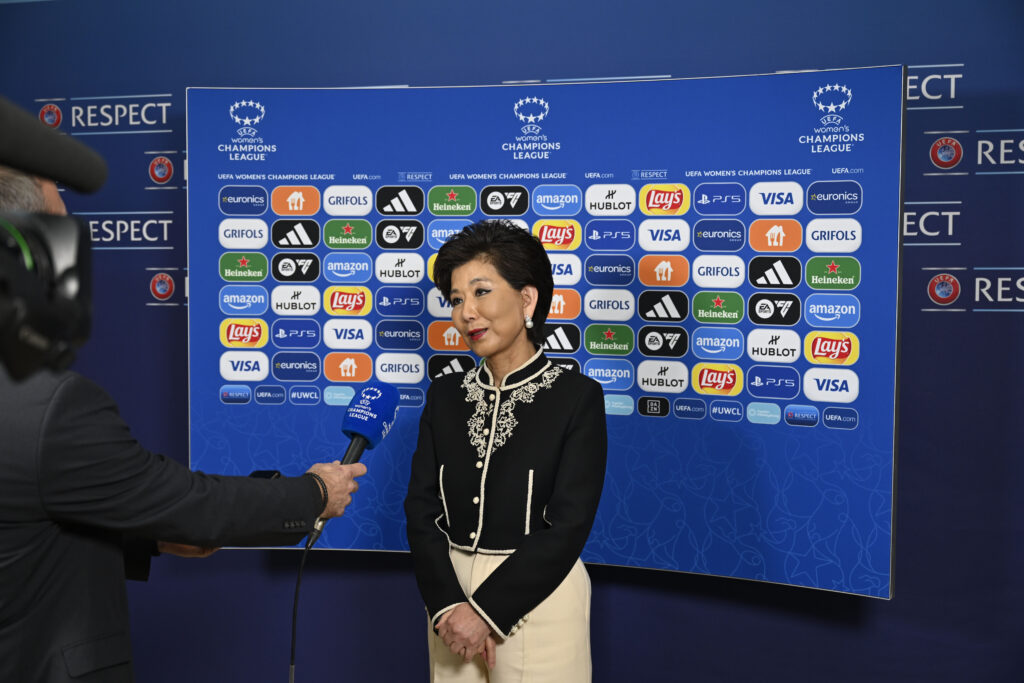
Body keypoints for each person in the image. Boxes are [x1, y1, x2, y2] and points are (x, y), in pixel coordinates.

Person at [0, 165, 368, 682]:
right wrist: (313, 494)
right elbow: (191, 504)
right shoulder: (50, 407)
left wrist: (149, 539)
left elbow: (23, 520)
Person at [405, 219, 607, 682]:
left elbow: (569, 524)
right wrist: (446, 607)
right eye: (455, 300)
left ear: (527, 299)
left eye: (480, 292)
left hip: (542, 600)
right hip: (449, 603)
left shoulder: (577, 397)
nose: (465, 314)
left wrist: (487, 612)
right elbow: (420, 509)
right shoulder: (445, 395)